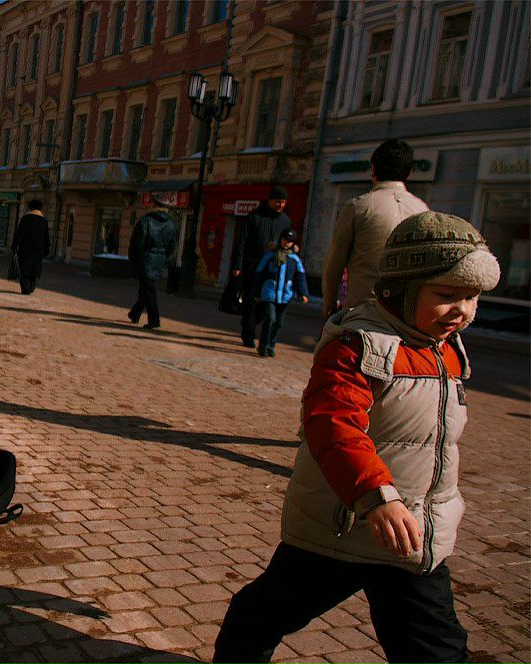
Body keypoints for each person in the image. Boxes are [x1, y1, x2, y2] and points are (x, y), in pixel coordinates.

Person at [213, 211, 501, 664]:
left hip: (412, 535)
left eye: (473, 297)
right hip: (343, 524)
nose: (462, 310)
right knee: (261, 616)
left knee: (435, 649)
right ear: (400, 290)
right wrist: (375, 494)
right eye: (447, 295)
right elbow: (333, 422)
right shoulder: (359, 342)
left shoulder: (444, 345)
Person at [322, 139, 428, 318]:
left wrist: (329, 303)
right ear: (409, 172)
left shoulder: (359, 207)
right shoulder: (422, 210)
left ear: (373, 168)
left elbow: (334, 263)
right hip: (405, 314)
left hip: (363, 311)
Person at [230, 185, 292, 347]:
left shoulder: (285, 221)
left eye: (283, 202)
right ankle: (248, 336)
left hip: (273, 269)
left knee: (266, 305)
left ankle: (249, 322)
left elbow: (289, 243)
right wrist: (237, 265)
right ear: (270, 200)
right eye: (278, 201)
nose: (281, 205)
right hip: (253, 266)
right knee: (251, 301)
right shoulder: (255, 216)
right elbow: (241, 241)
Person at [253, 229, 308, 358]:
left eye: (289, 241)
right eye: (284, 239)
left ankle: (271, 345)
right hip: (269, 293)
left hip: (285, 295)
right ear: (280, 239)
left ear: (293, 243)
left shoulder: (294, 260)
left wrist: (303, 293)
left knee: (279, 323)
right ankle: (263, 346)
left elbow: (300, 277)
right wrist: (256, 292)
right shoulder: (271, 256)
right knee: (270, 318)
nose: (286, 243)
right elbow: (259, 274)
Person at [128, 194, 177, 329]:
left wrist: (134, 257)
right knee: (146, 288)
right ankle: (135, 313)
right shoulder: (170, 224)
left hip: (146, 259)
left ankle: (154, 320)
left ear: (154, 205)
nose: (148, 204)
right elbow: (172, 245)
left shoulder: (146, 221)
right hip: (158, 260)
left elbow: (137, 242)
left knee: (149, 290)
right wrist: (162, 256)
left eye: (150, 202)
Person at [11, 199, 50, 295]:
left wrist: (14, 246)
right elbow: (46, 237)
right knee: (34, 269)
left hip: (25, 250)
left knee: (24, 269)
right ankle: (31, 287)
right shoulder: (43, 221)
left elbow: (19, 234)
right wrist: (46, 250)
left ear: (30, 207)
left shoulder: (26, 218)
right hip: (38, 251)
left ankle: (25, 289)